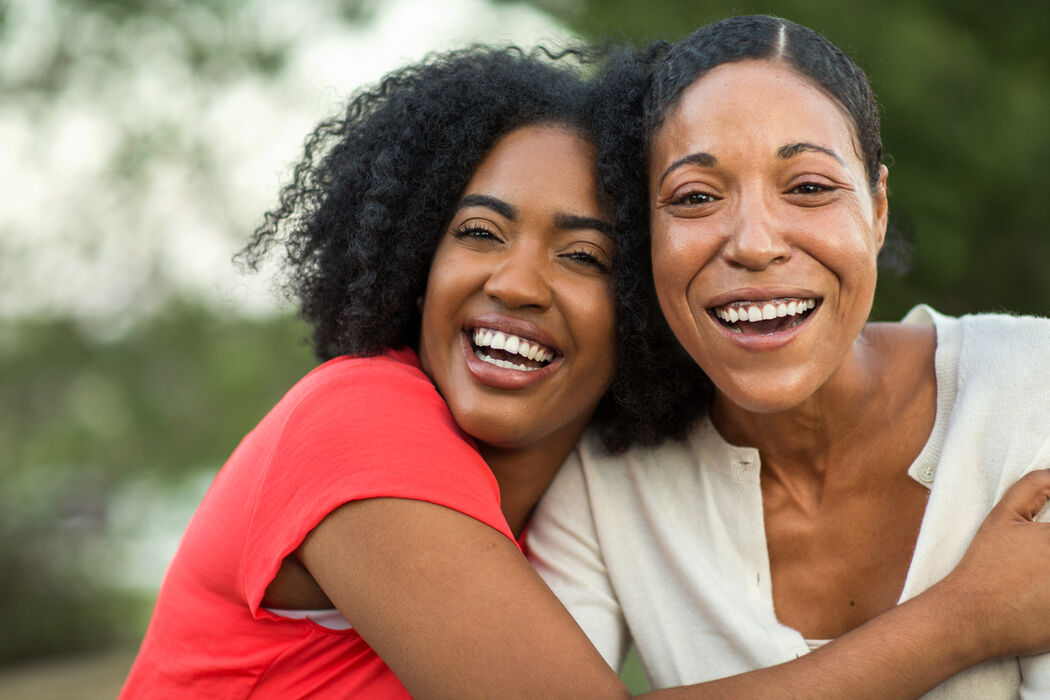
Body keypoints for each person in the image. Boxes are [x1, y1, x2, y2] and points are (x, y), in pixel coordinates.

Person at [119, 43, 1050, 700]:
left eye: (586, 256)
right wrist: (962, 620)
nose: (517, 284)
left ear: (645, 295)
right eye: (479, 234)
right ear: (415, 259)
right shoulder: (359, 419)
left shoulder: (563, 502)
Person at [527, 15, 1050, 698]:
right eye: (696, 197)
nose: (753, 243)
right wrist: (962, 621)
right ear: (644, 237)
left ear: (879, 209)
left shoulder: (1032, 395)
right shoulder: (605, 479)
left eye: (807, 187)